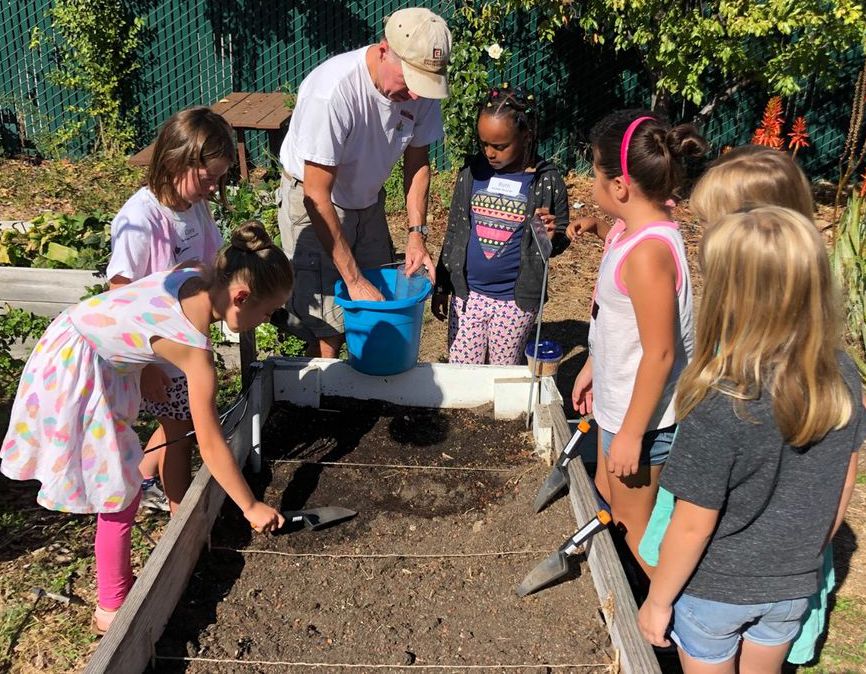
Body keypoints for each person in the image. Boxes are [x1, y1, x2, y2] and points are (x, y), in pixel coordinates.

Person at [0, 223, 290, 634]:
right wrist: (249, 506)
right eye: (266, 313)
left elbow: (135, 306)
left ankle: (128, 490)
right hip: (76, 370)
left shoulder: (195, 274)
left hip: (83, 343)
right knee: (117, 496)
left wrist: (146, 360)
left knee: (117, 467)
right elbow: (209, 443)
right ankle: (112, 605)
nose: (264, 321)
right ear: (240, 297)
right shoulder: (194, 351)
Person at [638, 206, 864, 674]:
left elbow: (693, 524)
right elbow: (843, 478)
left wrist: (658, 601)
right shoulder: (842, 374)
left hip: (714, 590)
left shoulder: (720, 399)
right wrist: (809, 551)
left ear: (728, 295)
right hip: (792, 586)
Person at [570, 110, 707, 580]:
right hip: (620, 405)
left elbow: (662, 352)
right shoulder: (633, 229)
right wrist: (593, 363)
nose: (591, 181)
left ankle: (673, 620)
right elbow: (617, 320)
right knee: (607, 495)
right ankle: (627, 590)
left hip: (642, 421)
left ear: (621, 187)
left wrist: (631, 433)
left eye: (594, 172)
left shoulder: (648, 255)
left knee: (634, 524)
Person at [277, 7, 451, 358]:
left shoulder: (419, 93)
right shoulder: (334, 92)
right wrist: (353, 280)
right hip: (316, 200)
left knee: (377, 305)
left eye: (426, 85)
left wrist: (417, 235)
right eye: (410, 81)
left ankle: (366, 384)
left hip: (367, 200)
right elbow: (316, 195)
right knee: (327, 323)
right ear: (385, 49)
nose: (417, 96)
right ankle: (324, 401)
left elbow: (417, 162)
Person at [106, 106, 233, 513]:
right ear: (177, 159)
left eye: (218, 180)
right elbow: (119, 295)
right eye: (207, 178)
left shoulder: (194, 206)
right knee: (182, 432)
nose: (213, 188)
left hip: (185, 346)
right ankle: (182, 516)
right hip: (158, 352)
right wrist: (146, 368)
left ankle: (142, 477)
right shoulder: (141, 219)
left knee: (175, 424)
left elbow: (210, 260)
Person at [431, 84, 569, 364]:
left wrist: (553, 238)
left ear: (526, 135)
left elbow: (559, 237)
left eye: (500, 146)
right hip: (467, 297)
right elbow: (455, 231)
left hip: (514, 303)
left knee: (502, 373)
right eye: (484, 144)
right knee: (462, 372)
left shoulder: (546, 181)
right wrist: (443, 285)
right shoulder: (471, 173)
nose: (490, 153)